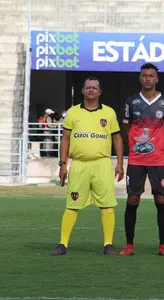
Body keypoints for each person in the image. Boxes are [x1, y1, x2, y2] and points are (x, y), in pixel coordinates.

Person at [50, 77, 124, 256]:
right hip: (79, 165)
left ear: (100, 92)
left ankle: (108, 244)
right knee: (72, 204)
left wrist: (120, 164)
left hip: (102, 164)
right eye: (88, 87)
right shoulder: (73, 113)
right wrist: (62, 164)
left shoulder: (108, 113)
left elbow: (117, 138)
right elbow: (65, 139)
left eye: (94, 88)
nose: (91, 90)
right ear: (83, 91)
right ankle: (63, 244)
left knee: (107, 205)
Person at [119, 63, 164, 257]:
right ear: (140, 78)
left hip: (157, 159)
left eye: (151, 75)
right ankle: (129, 245)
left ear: (156, 79)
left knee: (160, 198)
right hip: (136, 158)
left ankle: (163, 246)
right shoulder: (131, 101)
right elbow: (127, 128)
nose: (148, 78)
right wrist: (137, 144)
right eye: (145, 75)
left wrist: (158, 145)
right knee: (133, 199)